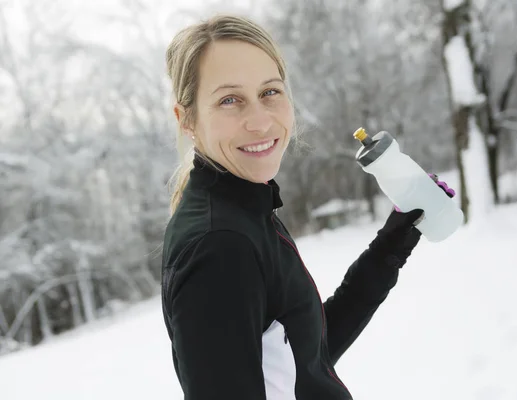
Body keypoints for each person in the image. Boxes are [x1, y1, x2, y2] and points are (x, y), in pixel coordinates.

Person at [160, 14, 454, 400]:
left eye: (270, 92)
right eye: (229, 100)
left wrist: (392, 242)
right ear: (188, 119)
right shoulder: (221, 246)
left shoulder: (246, 207)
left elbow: (305, 354)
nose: (261, 121)